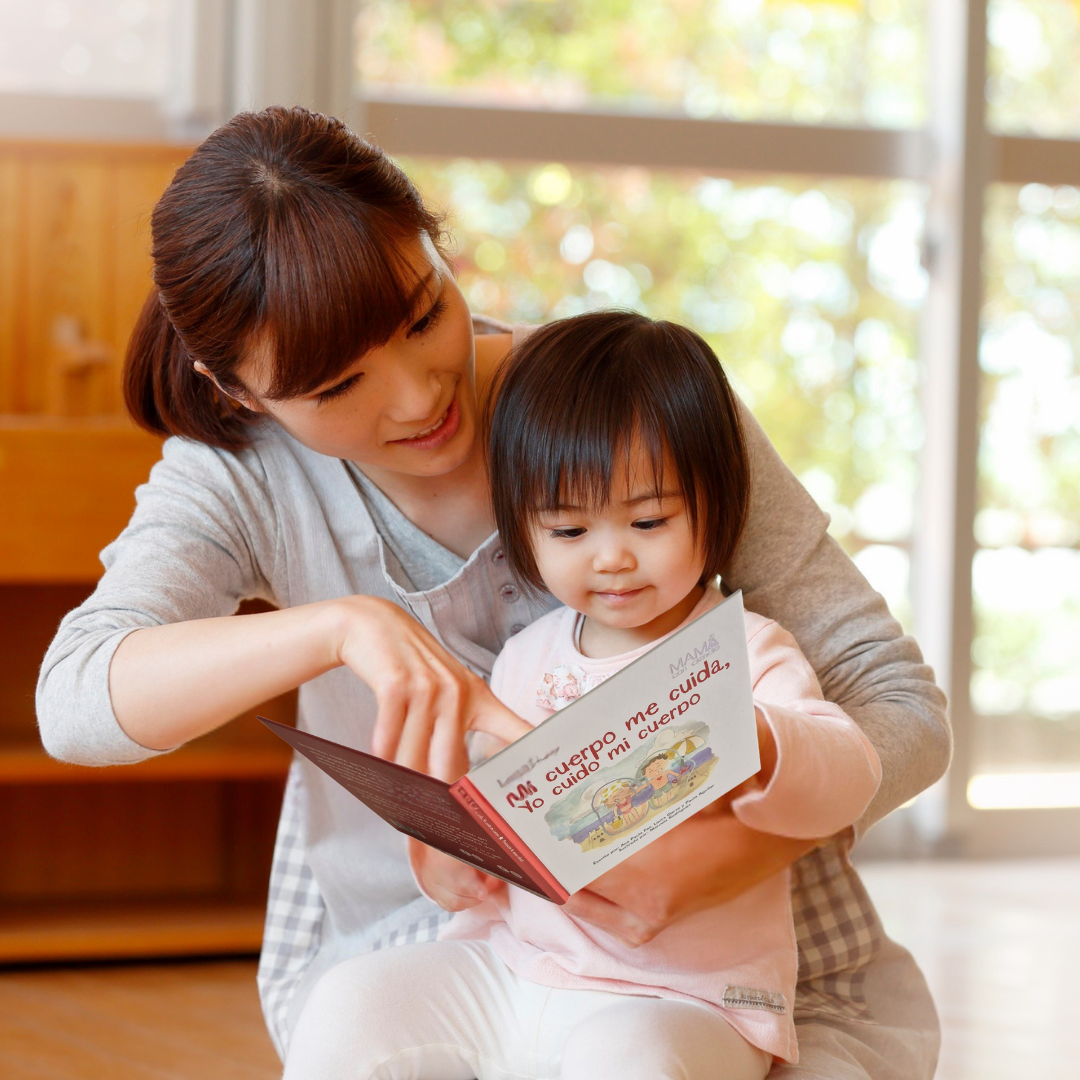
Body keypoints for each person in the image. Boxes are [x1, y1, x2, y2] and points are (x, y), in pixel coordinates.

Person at [36, 106, 948, 1078]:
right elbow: (78, 701)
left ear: (437, 243)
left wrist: (724, 860)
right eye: (339, 385)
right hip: (436, 941)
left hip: (707, 960)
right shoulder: (238, 476)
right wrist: (342, 628)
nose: (422, 396)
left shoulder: (619, 406)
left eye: (425, 313)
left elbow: (895, 702)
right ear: (238, 390)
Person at [281, 311, 883, 1078]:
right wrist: (450, 868)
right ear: (524, 529)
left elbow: (850, 773)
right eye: (568, 531)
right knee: (350, 1005)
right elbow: (482, 827)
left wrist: (762, 740)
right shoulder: (526, 658)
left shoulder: (748, 650)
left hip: (681, 1000)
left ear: (717, 502)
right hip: (514, 967)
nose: (613, 557)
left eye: (649, 519)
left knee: (630, 1061)